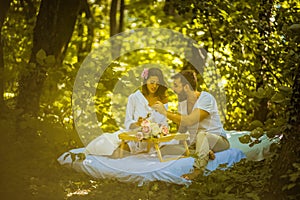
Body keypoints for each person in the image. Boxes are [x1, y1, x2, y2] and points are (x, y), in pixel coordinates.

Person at [152, 70, 230, 179]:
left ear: (187, 87)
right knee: (164, 149)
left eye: (176, 86)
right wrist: (164, 137)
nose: (173, 89)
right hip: (196, 143)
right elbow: (182, 129)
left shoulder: (206, 98)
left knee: (202, 135)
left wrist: (165, 113)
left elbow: (190, 121)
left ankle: (197, 171)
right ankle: (204, 151)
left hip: (217, 140)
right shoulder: (182, 104)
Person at [84, 67, 169, 156]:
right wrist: (137, 123)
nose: (154, 86)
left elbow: (164, 124)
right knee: (114, 152)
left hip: (154, 141)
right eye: (152, 82)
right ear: (145, 81)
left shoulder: (163, 101)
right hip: (135, 138)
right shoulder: (134, 98)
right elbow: (128, 123)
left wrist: (158, 130)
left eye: (157, 83)